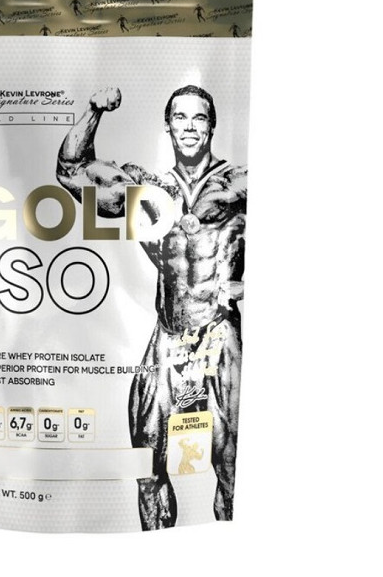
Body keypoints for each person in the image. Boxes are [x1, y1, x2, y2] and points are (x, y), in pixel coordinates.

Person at [56, 85, 246, 529]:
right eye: (180, 117)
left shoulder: (238, 184)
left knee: (235, 475)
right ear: (168, 126)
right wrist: (93, 110)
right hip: (169, 334)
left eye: (199, 118)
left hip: (220, 334)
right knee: (147, 467)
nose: (189, 127)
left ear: (212, 126)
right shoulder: (149, 191)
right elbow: (71, 173)